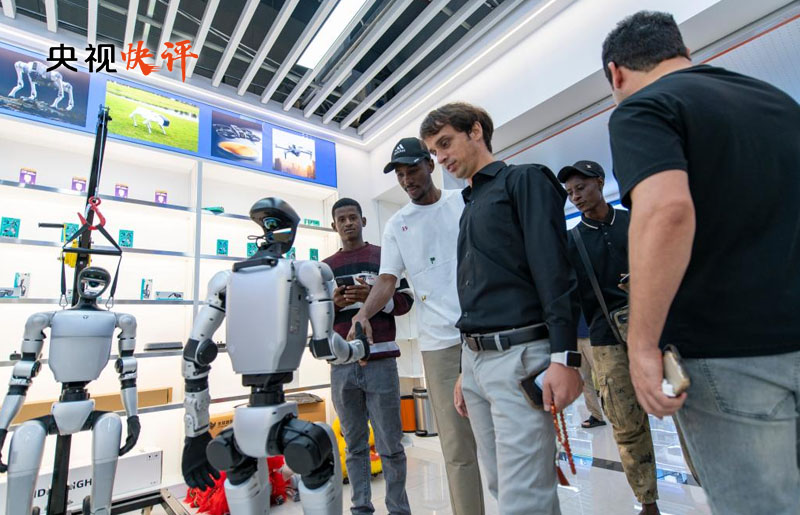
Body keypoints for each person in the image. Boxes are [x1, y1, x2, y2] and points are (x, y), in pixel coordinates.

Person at [603, 11, 800, 514]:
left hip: (729, 355)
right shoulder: (777, 101)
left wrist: (641, 345)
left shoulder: (644, 109)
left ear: (615, 73)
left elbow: (667, 211)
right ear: (683, 52)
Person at [420, 102, 583, 515]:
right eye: (435, 152)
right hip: (476, 362)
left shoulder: (524, 180)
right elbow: (475, 292)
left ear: (475, 131)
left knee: (523, 497)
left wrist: (565, 357)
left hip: (519, 357)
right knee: (500, 485)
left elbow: (554, 270)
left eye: (445, 144)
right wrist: (465, 368)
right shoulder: (471, 205)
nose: (441, 158)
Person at [348, 137, 485, 515]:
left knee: (502, 440)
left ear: (431, 164)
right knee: (457, 448)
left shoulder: (464, 202)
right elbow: (387, 280)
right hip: (439, 345)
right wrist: (363, 314)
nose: (407, 180)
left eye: (412, 170)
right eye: (400, 175)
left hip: (485, 332)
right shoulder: (397, 225)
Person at [559, 161, 659, 515]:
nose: (576, 197)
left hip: (660, 329)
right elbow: (568, 299)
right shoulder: (571, 242)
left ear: (600, 183)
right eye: (570, 193)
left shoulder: (636, 221)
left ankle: (710, 487)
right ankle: (647, 501)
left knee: (688, 413)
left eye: (581, 188)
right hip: (606, 339)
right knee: (625, 421)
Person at [323, 198, 414, 515]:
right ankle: (361, 507)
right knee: (354, 444)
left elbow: (405, 301)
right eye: (342, 219)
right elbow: (316, 315)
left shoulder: (383, 256)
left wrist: (374, 299)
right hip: (342, 365)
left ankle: (398, 509)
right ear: (334, 226)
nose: (348, 223)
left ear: (363, 221)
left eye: (353, 217)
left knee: (391, 443)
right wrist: (333, 304)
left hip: (382, 360)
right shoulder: (325, 268)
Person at [576, 313, 605, 429]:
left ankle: (618, 413)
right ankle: (596, 415)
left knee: (604, 377)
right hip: (574, 337)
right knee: (583, 379)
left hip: (592, 335)